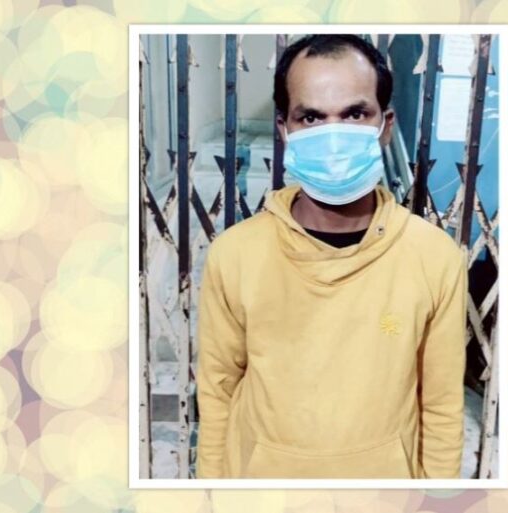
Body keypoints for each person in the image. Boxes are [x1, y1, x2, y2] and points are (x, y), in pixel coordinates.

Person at [195, 34, 467, 479]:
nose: (334, 136)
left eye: (355, 114)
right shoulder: (236, 254)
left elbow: (441, 406)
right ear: (284, 129)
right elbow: (217, 390)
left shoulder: (434, 257)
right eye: (311, 117)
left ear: (386, 125)